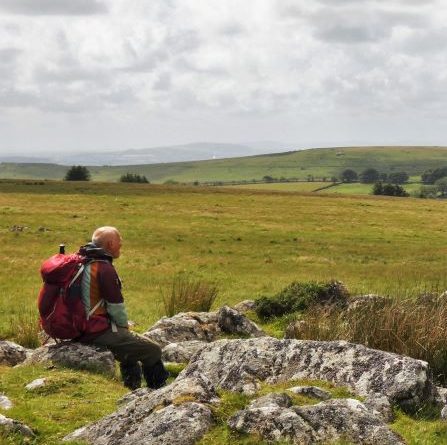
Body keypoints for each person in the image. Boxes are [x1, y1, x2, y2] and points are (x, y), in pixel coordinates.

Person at [76, 226, 169, 390]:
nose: (121, 246)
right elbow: (116, 307)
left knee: (130, 349)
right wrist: (124, 329)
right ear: (111, 244)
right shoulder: (103, 268)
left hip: (78, 326)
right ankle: (159, 392)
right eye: (120, 242)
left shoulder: (81, 261)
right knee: (153, 350)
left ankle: (130, 389)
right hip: (94, 331)